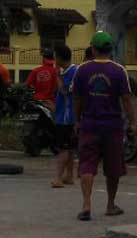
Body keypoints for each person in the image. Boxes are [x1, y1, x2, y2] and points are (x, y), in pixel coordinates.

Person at [72, 31, 136, 221]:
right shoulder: (119, 71)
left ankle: (86, 204)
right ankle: (110, 205)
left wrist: (77, 121)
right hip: (113, 126)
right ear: (110, 50)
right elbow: (127, 100)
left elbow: (77, 99)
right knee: (113, 167)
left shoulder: (82, 70)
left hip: (89, 124)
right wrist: (132, 123)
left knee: (87, 165)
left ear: (93, 48)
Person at [50, 45, 78, 188]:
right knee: (70, 148)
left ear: (60, 58)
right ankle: (69, 176)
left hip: (67, 117)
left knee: (64, 148)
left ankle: (58, 178)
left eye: (55, 57)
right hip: (66, 115)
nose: (54, 60)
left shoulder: (73, 72)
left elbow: (65, 90)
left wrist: (57, 75)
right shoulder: (67, 71)